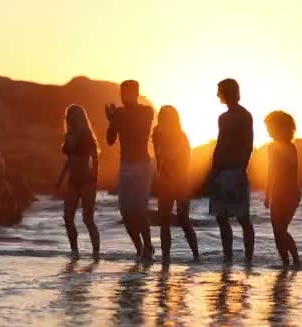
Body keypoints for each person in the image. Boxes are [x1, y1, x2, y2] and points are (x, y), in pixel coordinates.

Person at [106, 80, 155, 261]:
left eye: (125, 93)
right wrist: (111, 121)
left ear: (135, 93)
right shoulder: (119, 114)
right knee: (126, 212)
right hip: (125, 165)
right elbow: (110, 140)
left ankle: (148, 246)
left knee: (139, 209)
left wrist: (117, 118)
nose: (122, 97)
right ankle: (139, 248)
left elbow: (140, 132)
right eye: (121, 93)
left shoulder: (146, 111)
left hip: (142, 165)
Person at [209, 78, 255, 262]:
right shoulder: (222, 117)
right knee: (221, 217)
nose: (217, 94)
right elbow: (220, 144)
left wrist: (240, 170)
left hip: (236, 170)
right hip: (221, 170)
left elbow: (248, 145)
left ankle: (248, 258)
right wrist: (214, 170)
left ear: (228, 92)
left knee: (243, 217)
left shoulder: (244, 115)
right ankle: (227, 256)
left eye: (219, 91)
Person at [152, 105, 200, 263]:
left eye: (166, 117)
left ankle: (196, 255)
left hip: (180, 183)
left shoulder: (181, 136)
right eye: (161, 117)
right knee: (164, 220)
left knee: (183, 219)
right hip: (165, 182)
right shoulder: (158, 134)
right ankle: (166, 257)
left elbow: (184, 161)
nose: (163, 120)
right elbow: (159, 160)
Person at [56, 104, 101, 259]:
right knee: (68, 217)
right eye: (67, 115)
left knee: (88, 219)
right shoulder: (68, 135)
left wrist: (95, 178)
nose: (67, 118)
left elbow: (95, 157)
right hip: (72, 182)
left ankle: (96, 253)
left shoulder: (86, 134)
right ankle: (74, 251)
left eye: (70, 115)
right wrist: (60, 179)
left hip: (87, 181)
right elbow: (69, 161)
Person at [264, 110, 302, 267]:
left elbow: (290, 169)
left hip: (290, 192)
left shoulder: (290, 147)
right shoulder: (271, 147)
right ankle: (285, 263)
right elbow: (270, 172)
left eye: (270, 126)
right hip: (277, 192)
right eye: (267, 127)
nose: (268, 130)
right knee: (277, 232)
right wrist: (267, 194)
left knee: (281, 230)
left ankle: (296, 261)